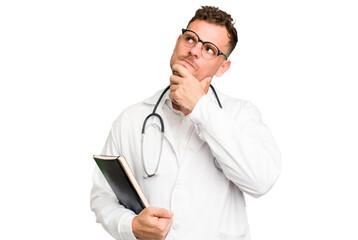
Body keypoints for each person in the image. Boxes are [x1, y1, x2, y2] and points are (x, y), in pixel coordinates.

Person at [91, 6, 281, 240]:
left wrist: (200, 107)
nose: (194, 51)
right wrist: (129, 225)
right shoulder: (131, 119)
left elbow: (261, 182)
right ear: (178, 42)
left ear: (223, 67)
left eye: (209, 49)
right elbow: (103, 195)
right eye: (190, 39)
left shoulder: (242, 115)